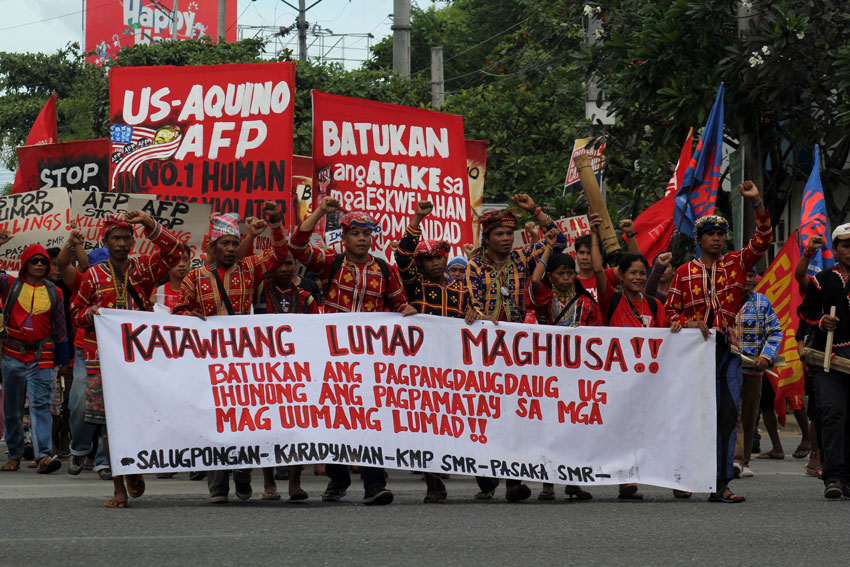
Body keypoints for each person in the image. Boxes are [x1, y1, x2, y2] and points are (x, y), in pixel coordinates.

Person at [289, 196, 416, 506]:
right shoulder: (330, 263)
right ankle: (338, 477)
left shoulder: (385, 270)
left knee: (372, 418)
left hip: (371, 358)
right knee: (335, 418)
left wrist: (408, 310)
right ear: (343, 238)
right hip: (331, 355)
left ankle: (374, 485)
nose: (362, 239)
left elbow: (399, 302)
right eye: (356, 234)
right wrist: (319, 210)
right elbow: (295, 246)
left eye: (367, 234)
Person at [665, 180, 772, 504]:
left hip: (726, 352)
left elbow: (764, 239)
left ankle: (719, 484)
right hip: (692, 356)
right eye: (710, 233)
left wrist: (756, 202)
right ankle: (682, 477)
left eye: (720, 233)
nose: (716, 238)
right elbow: (669, 312)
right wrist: (687, 322)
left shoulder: (737, 263)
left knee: (726, 416)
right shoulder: (683, 272)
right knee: (688, 417)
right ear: (699, 239)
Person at [174, 203, 288, 504]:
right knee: (212, 421)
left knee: (242, 420)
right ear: (213, 245)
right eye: (225, 243)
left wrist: (275, 224)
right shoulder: (194, 277)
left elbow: (280, 255)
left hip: (241, 359)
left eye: (235, 243)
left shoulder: (249, 269)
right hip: (207, 360)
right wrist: (190, 318)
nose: (230, 248)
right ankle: (218, 487)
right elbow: (178, 310)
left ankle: (242, 473)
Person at [70, 210, 184, 508]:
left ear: (134, 241)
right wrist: (90, 314)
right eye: (116, 238)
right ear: (105, 241)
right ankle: (119, 487)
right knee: (108, 424)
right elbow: (75, 313)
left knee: (135, 420)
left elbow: (176, 252)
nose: (121, 243)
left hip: (136, 361)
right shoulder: (92, 275)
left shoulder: (143, 270)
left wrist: (149, 223)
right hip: (100, 361)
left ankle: (132, 465)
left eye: (126, 238)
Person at [465, 193, 565, 502]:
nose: (507, 239)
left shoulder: (523, 259)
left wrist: (535, 210)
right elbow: (474, 302)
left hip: (517, 354)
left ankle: (514, 479)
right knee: (486, 414)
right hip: (485, 353)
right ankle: (487, 479)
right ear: (488, 237)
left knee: (515, 415)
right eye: (500, 234)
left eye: (510, 233)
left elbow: (559, 242)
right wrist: (477, 314)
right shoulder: (475, 268)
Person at [395, 200, 472, 502]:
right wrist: (417, 219)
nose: (436, 263)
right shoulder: (415, 287)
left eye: (439, 257)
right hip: (422, 362)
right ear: (421, 265)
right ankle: (432, 478)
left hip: (452, 362)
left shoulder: (461, 289)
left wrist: (473, 316)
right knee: (426, 421)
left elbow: (473, 314)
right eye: (428, 259)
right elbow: (402, 255)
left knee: (448, 419)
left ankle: (443, 470)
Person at [527, 228, 601, 501]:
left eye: (570, 273)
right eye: (561, 273)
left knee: (575, 426)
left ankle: (573, 480)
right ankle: (548, 483)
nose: (567, 277)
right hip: (548, 372)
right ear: (551, 276)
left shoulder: (586, 302)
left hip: (577, 374)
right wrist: (548, 249)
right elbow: (535, 280)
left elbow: (599, 336)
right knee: (549, 426)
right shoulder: (545, 297)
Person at [0, 238, 70, 474]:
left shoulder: (55, 292)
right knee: (12, 408)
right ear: (24, 264)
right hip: (12, 355)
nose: (40, 264)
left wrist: (63, 362)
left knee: (41, 406)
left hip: (43, 356)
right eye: (34, 260)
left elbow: (60, 328)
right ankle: (15, 455)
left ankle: (43, 456)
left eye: (43, 261)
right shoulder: (9, 284)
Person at [253, 252, 318, 502]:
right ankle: (269, 483)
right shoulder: (255, 293)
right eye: (277, 263)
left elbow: (317, 331)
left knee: (297, 426)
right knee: (266, 425)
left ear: (297, 266)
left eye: (288, 263)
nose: (283, 267)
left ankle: (295, 483)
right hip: (263, 369)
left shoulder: (306, 298)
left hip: (297, 370)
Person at [798, 222, 850, 498]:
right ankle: (834, 477)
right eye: (846, 245)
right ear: (837, 250)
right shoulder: (824, 279)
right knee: (832, 415)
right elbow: (804, 311)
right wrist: (821, 321)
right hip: (830, 358)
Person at [56, 234, 111, 479]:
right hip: (85, 351)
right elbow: (62, 265)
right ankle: (79, 447)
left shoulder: (130, 280)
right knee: (79, 403)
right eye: (98, 268)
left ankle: (103, 460)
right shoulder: (84, 281)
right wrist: (72, 242)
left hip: (117, 355)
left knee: (111, 409)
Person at [732, 267, 782, 478]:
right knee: (733, 411)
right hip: (727, 367)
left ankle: (743, 460)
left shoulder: (762, 302)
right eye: (744, 276)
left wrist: (767, 356)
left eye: (751, 276)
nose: (748, 280)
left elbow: (775, 331)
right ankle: (734, 458)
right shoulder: (723, 301)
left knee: (749, 415)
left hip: (754, 368)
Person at [152, 244, 191, 313]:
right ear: (167, 264)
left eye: (185, 260)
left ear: (189, 263)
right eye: (176, 260)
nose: (181, 264)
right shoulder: (156, 294)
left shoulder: (199, 292)